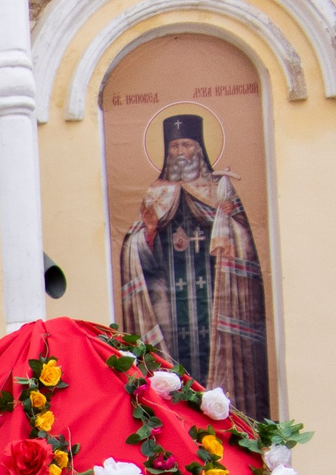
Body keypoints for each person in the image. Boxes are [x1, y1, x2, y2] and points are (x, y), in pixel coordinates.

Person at [115, 112, 270, 420]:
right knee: (173, 367)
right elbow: (134, 252)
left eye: (187, 144)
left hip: (214, 295)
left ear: (199, 148)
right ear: (166, 152)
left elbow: (244, 244)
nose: (182, 152)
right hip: (170, 302)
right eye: (175, 147)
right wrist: (147, 232)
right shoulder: (154, 194)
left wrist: (226, 223)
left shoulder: (220, 190)